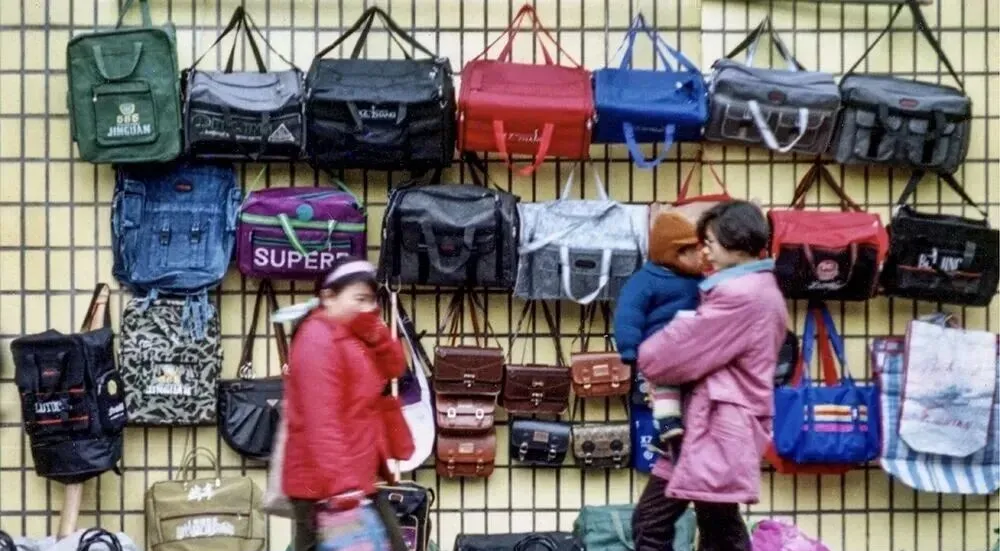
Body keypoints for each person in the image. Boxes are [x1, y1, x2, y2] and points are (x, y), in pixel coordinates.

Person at [632, 200, 789, 551]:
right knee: (710, 527)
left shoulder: (742, 296)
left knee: (665, 524)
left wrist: (653, 350)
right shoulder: (757, 290)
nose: (705, 252)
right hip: (709, 425)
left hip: (715, 428)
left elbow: (666, 355)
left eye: (711, 243)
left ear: (737, 243)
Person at [276, 257, 409, 551]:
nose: (368, 307)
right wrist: (342, 488)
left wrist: (376, 331)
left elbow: (395, 368)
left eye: (371, 300)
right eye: (359, 299)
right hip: (324, 486)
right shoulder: (317, 340)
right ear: (328, 297)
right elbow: (321, 421)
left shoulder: (352, 335)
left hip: (353, 477)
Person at [613, 210, 705, 455]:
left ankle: (663, 436)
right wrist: (629, 348)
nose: (702, 255)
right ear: (676, 253)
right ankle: (667, 424)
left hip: (691, 350)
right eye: (695, 251)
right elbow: (629, 313)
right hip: (661, 347)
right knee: (666, 385)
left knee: (683, 393)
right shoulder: (645, 280)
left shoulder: (699, 280)